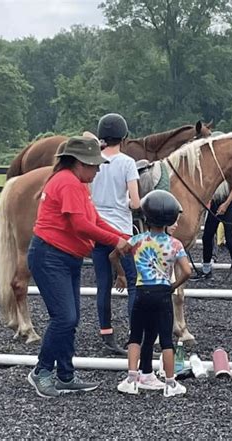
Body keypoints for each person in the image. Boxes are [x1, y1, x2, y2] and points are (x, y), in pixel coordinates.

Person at [27, 136, 132, 398]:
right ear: (79, 163)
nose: (98, 170)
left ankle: (65, 374)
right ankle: (41, 371)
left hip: (63, 256)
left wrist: (126, 238)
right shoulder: (69, 183)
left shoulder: (75, 183)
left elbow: (94, 219)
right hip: (52, 255)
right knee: (65, 318)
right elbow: (81, 226)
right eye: (94, 165)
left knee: (68, 318)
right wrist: (116, 240)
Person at [116, 190, 191, 397]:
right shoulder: (175, 244)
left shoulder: (137, 240)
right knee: (166, 338)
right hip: (163, 292)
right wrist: (174, 286)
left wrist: (121, 275)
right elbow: (187, 271)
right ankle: (170, 383)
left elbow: (114, 255)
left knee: (135, 335)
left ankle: (132, 379)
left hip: (141, 291)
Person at [90, 113, 140, 355]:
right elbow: (135, 202)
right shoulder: (127, 163)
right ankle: (134, 336)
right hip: (121, 230)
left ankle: (106, 334)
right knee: (132, 283)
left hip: (97, 229)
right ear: (124, 136)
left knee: (103, 284)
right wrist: (130, 200)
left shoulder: (92, 161)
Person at [197, 181, 232, 284]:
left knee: (230, 240)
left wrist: (226, 204)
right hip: (214, 202)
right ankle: (206, 270)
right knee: (207, 237)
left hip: (227, 203)